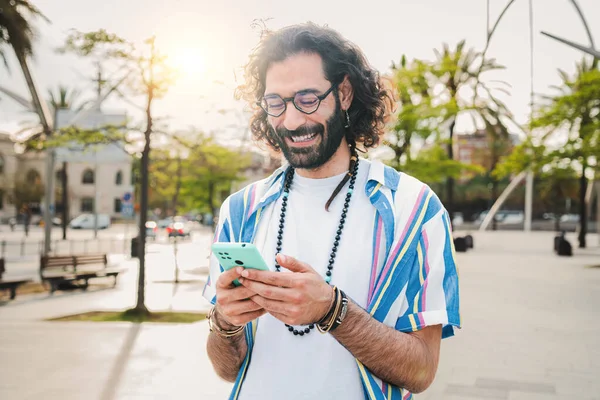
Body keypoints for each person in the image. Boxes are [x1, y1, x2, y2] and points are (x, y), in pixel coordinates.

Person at [203, 22, 461, 400]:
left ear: (343, 93)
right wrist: (225, 321)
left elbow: (421, 370)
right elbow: (226, 370)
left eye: (307, 99)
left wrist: (332, 310)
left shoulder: (414, 208)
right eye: (276, 103)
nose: (291, 121)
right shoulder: (240, 210)